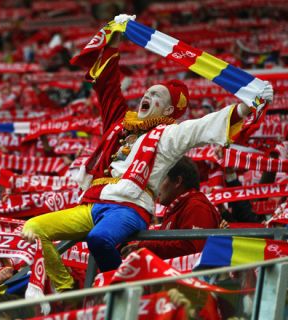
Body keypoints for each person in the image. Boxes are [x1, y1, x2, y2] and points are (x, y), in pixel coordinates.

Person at [22, 14, 274, 293]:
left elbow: (203, 127)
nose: (147, 96)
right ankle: (67, 289)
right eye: (148, 91)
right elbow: (107, 87)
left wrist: (247, 105)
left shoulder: (169, 135)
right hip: (93, 205)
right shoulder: (120, 123)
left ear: (167, 112)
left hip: (129, 208)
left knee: (100, 239)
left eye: (157, 97)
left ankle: (121, 293)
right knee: (33, 229)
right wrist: (115, 39)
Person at [121, 156, 221, 259]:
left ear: (178, 181)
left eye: (161, 179)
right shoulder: (177, 209)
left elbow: (191, 250)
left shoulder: (197, 207)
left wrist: (143, 247)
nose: (155, 186)